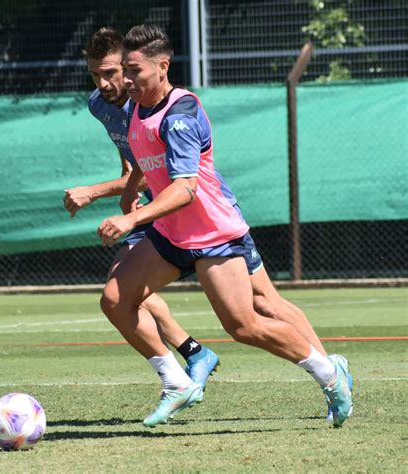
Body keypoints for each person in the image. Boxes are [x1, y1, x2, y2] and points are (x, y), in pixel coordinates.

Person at [65, 27, 352, 422]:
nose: (123, 81)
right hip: (169, 231)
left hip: (211, 232)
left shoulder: (181, 115)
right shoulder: (133, 108)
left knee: (246, 323)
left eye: (131, 71)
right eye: (120, 72)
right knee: (115, 299)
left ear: (162, 66)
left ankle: (329, 372)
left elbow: (184, 189)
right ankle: (177, 380)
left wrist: (128, 214)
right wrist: (130, 190)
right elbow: (140, 161)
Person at [63, 27, 220, 393]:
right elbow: (131, 156)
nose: (103, 83)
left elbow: (159, 172)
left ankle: (189, 362)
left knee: (122, 293)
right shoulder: (98, 105)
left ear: (129, 67)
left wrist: (95, 191)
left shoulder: (146, 103)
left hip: (171, 206)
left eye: (111, 73)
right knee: (125, 292)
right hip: (141, 203)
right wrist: (127, 186)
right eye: (94, 74)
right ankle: (194, 354)